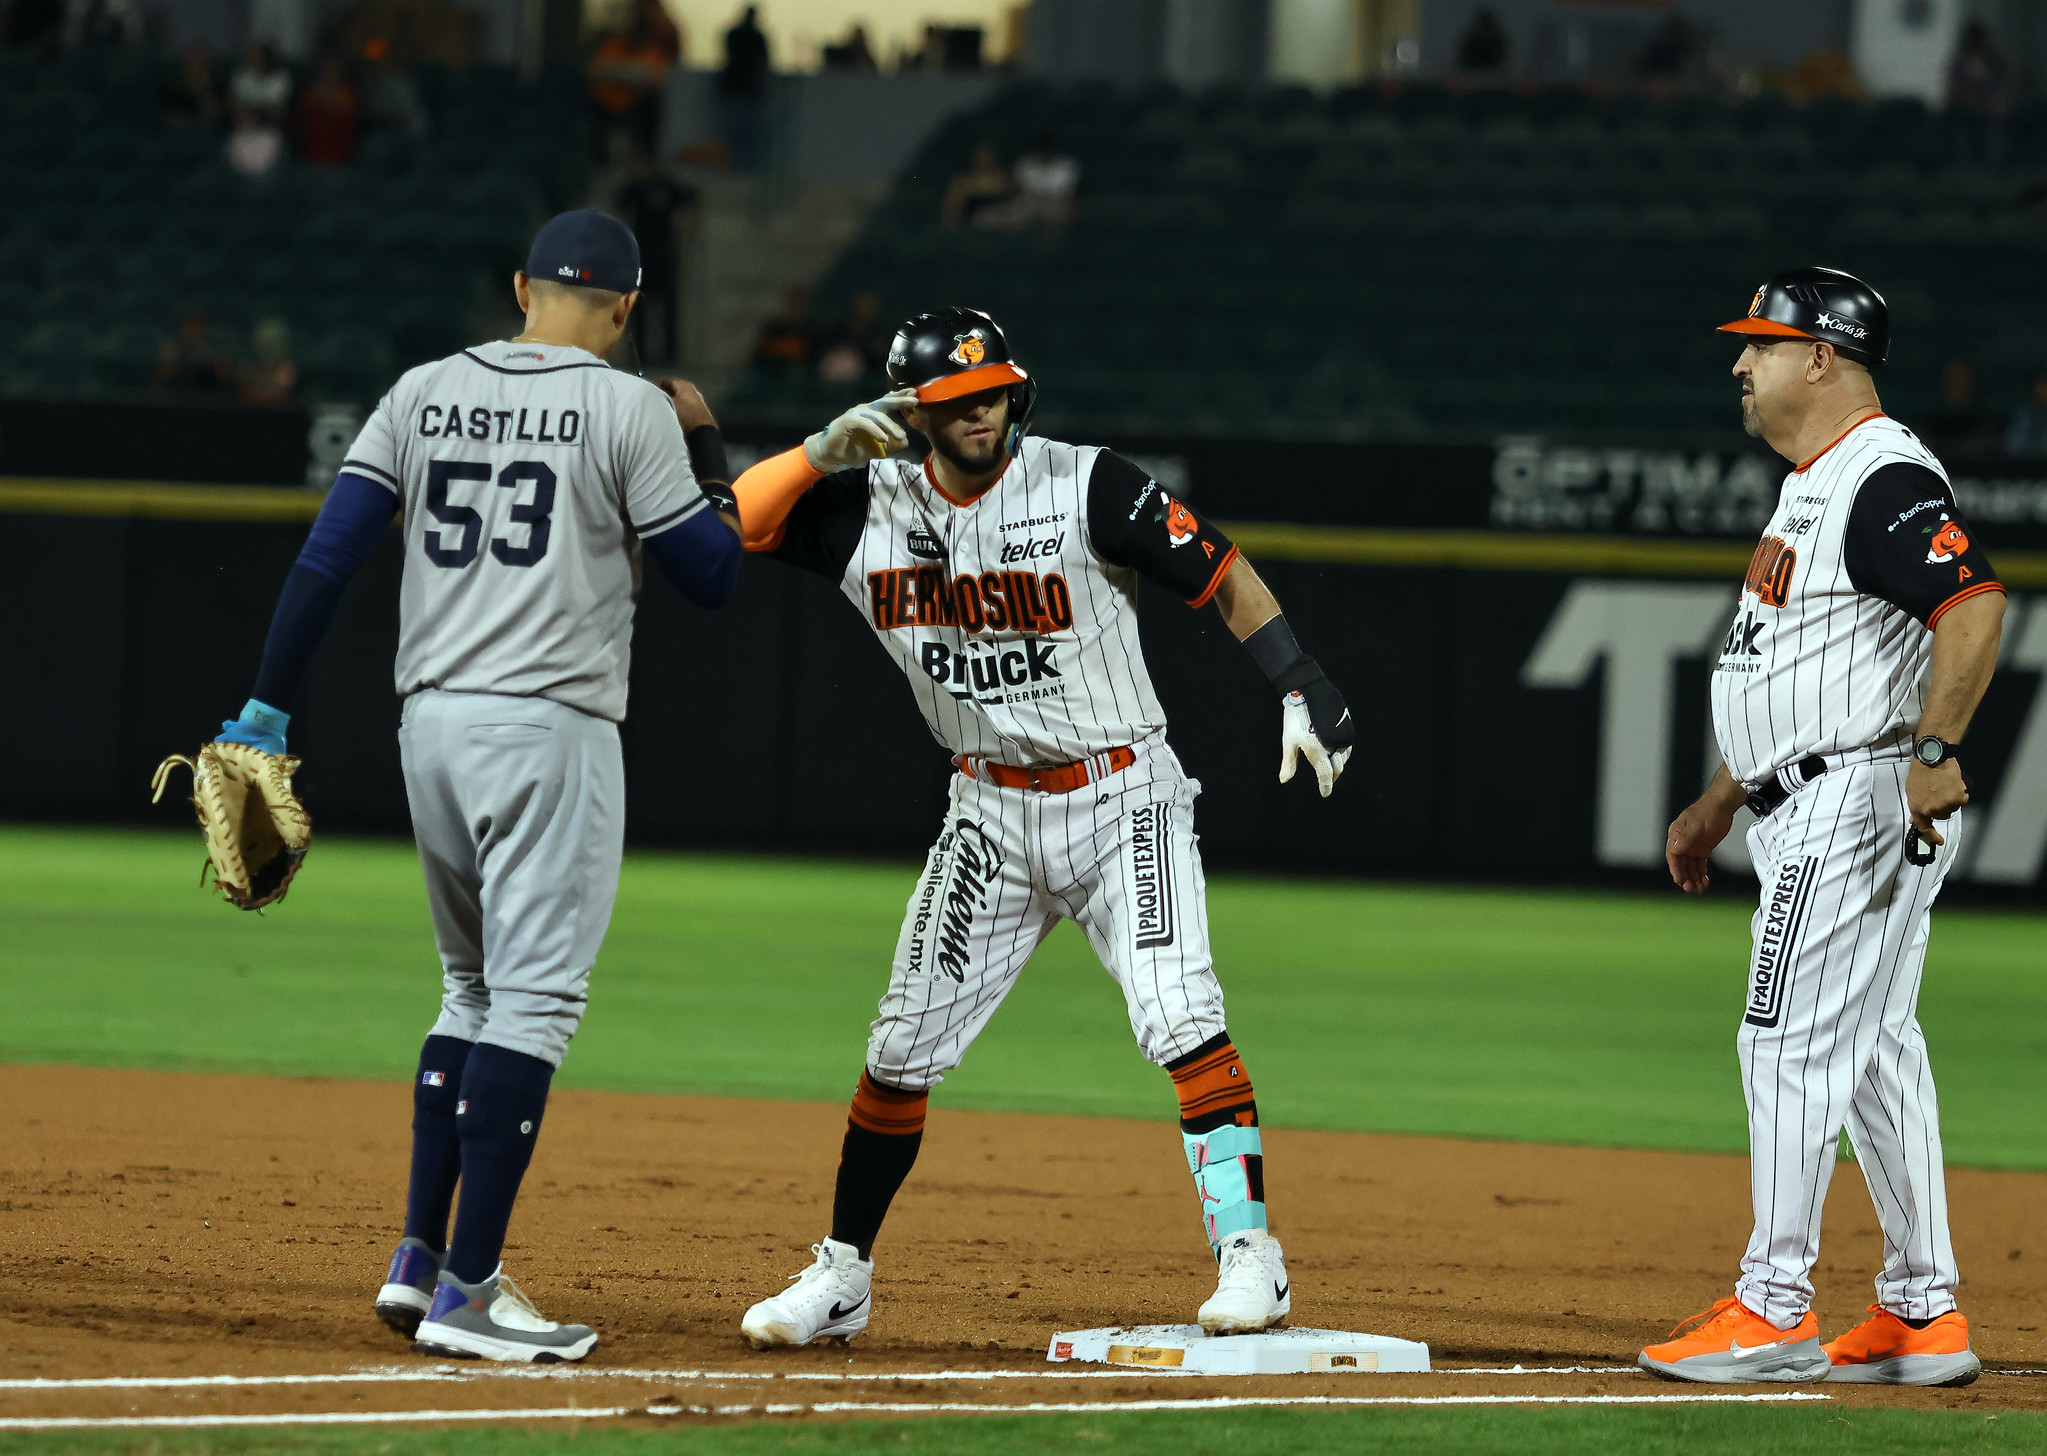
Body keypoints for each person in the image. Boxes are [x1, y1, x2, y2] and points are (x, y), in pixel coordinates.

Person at [726, 308, 1356, 1349]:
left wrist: (1299, 678)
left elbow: (1220, 568)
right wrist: (816, 451)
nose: (981, 411)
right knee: (901, 1044)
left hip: (1121, 795)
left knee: (1176, 1008)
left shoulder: (1083, 481)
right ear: (910, 410)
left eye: (993, 391)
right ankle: (842, 1276)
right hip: (988, 809)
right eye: (954, 400)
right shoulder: (863, 505)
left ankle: (1252, 1256)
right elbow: (732, 528)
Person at [210, 210, 741, 1363]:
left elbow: (326, 556)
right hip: (549, 728)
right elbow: (711, 574)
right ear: (628, 308)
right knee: (536, 1002)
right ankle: (473, 1290)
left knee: (472, 986)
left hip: (432, 728)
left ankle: (417, 1255)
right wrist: (706, 451)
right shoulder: (630, 406)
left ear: (519, 287)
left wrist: (263, 707)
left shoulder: (420, 389)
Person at [1644, 269, 2003, 1389]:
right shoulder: (1817, 483)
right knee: (1870, 1051)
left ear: (1821, 358)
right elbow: (1790, 679)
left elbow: (1976, 603)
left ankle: (1772, 1304)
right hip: (1812, 788)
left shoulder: (1878, 474)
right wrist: (1718, 800)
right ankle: (1917, 1311)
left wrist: (1936, 750)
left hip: (1851, 800)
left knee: (1786, 1042)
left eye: (1759, 345)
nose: (1738, 365)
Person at [614, 151, 699, 366]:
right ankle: (640, 354)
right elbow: (619, 209)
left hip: (664, 254)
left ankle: (670, 355)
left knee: (668, 307)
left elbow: (693, 201)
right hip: (641, 256)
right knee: (639, 307)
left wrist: (686, 236)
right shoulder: (633, 188)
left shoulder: (667, 186)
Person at [589, 0, 675, 163]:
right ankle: (599, 160)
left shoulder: (653, 49)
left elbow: (658, 77)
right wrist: (625, 74)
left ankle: (646, 161)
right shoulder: (614, 45)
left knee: (651, 105)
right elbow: (596, 69)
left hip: (634, 105)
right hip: (607, 104)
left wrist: (634, 77)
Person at [1946, 22, 2008, 166]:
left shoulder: (1993, 64)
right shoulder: (1959, 65)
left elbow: (2001, 89)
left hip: (1986, 119)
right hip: (1964, 118)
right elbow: (1953, 91)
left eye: (1979, 40)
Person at [718, 5, 770, 171]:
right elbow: (765, 62)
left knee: (735, 132)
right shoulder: (757, 38)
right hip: (748, 90)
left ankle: (736, 165)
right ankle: (744, 166)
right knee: (748, 134)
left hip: (735, 88)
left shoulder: (733, 35)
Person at [153, 308, 235, 398]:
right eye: (192, 324)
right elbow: (162, 374)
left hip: (206, 395)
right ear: (184, 326)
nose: (195, 329)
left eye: (199, 325)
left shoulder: (210, 348)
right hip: (178, 394)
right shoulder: (172, 346)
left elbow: (224, 372)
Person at [295, 56, 358, 166]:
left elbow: (347, 112)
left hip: (337, 132)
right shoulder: (312, 90)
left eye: (333, 70)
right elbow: (307, 109)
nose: (330, 73)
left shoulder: (346, 92)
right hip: (316, 131)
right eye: (327, 70)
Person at [941, 143, 1014, 230]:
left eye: (987, 156)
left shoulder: (1005, 178)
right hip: (971, 225)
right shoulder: (961, 184)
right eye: (980, 156)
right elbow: (949, 217)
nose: (984, 159)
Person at [750, 284, 814, 373]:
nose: (798, 306)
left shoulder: (809, 331)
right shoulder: (775, 328)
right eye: (795, 302)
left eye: (802, 302)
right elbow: (761, 354)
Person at [230, 39, 292, 128]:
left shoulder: (280, 78)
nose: (257, 59)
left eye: (260, 56)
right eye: (253, 56)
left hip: (271, 123)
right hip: (244, 122)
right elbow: (235, 103)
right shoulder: (241, 77)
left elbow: (277, 108)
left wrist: (256, 111)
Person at [239, 316, 298, 407]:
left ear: (284, 345)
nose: (268, 348)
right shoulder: (248, 375)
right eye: (264, 343)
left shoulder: (290, 378)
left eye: (272, 343)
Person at [163, 45, 222, 129]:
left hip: (209, 132)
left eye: (200, 65)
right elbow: (173, 119)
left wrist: (203, 90)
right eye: (191, 65)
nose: (195, 70)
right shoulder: (173, 87)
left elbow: (213, 116)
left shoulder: (217, 84)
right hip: (179, 133)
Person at [2003, 374, 2047, 456]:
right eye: (2039, 388)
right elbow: (2011, 445)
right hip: (2020, 463)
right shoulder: (2023, 413)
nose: (2043, 392)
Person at [1455, 7, 1508, 73]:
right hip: (1471, 74)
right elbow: (1463, 62)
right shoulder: (1471, 42)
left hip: (1493, 75)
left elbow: (1502, 63)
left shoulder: (1497, 42)